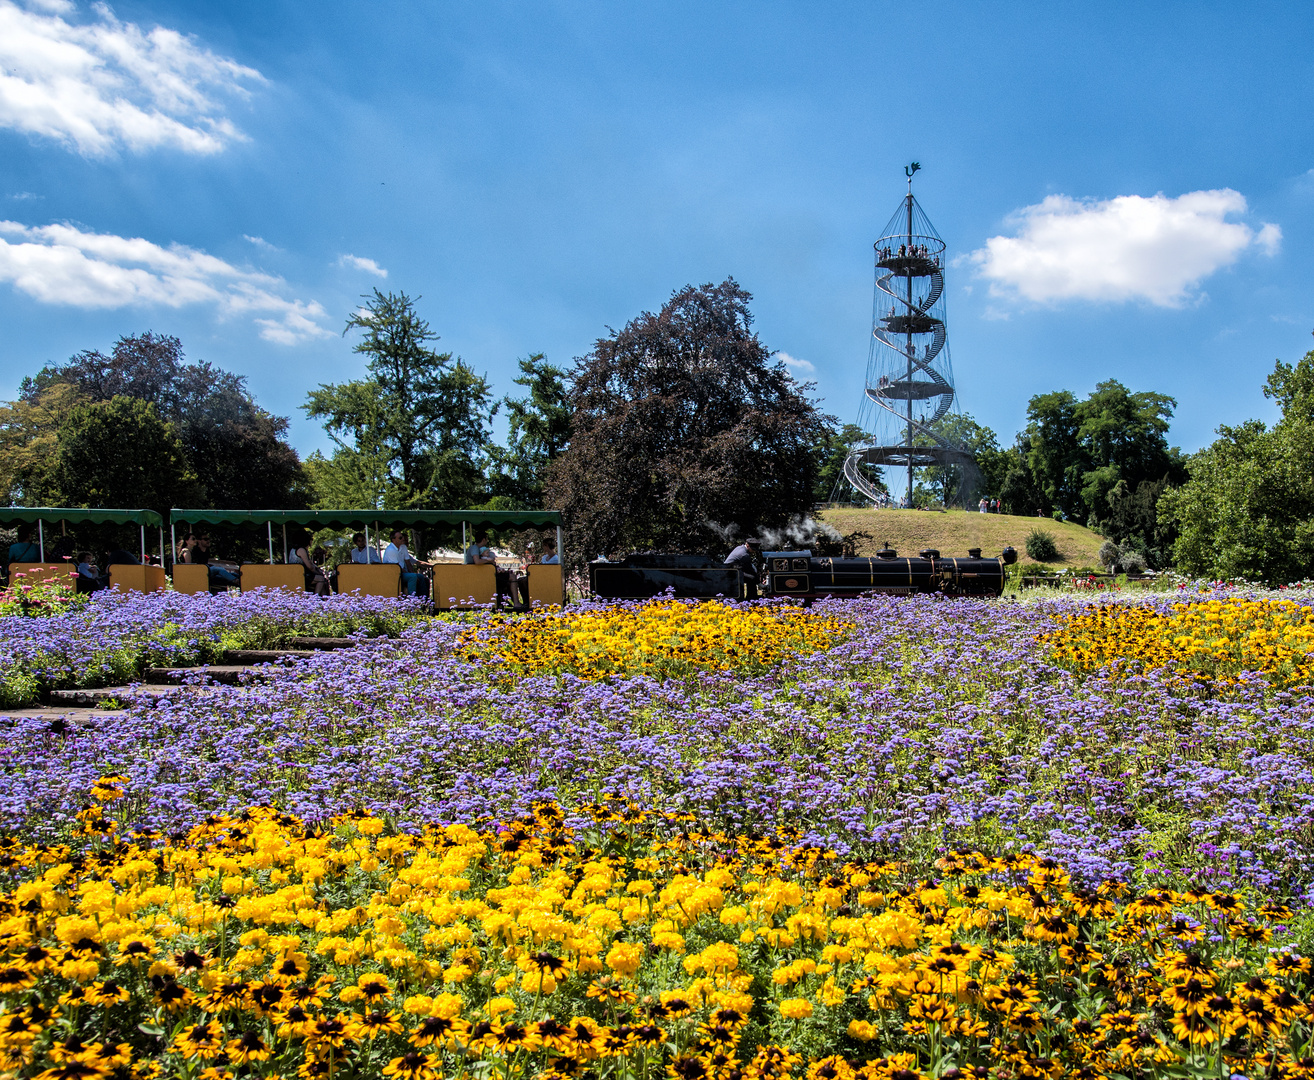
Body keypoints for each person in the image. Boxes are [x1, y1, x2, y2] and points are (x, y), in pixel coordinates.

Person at [385, 529, 429, 596]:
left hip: (401, 572)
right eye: (400, 538)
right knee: (412, 577)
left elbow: (408, 563)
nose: (403, 539)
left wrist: (413, 573)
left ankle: (423, 599)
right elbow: (397, 567)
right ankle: (411, 599)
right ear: (393, 540)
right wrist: (412, 575)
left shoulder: (403, 547)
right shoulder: (390, 550)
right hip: (393, 574)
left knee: (420, 576)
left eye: (402, 537)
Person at [289, 529, 330, 597]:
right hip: (301, 575)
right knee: (321, 579)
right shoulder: (301, 550)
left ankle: (324, 598)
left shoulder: (293, 550)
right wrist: (318, 572)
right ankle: (315, 598)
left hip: (295, 574)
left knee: (321, 579)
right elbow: (310, 566)